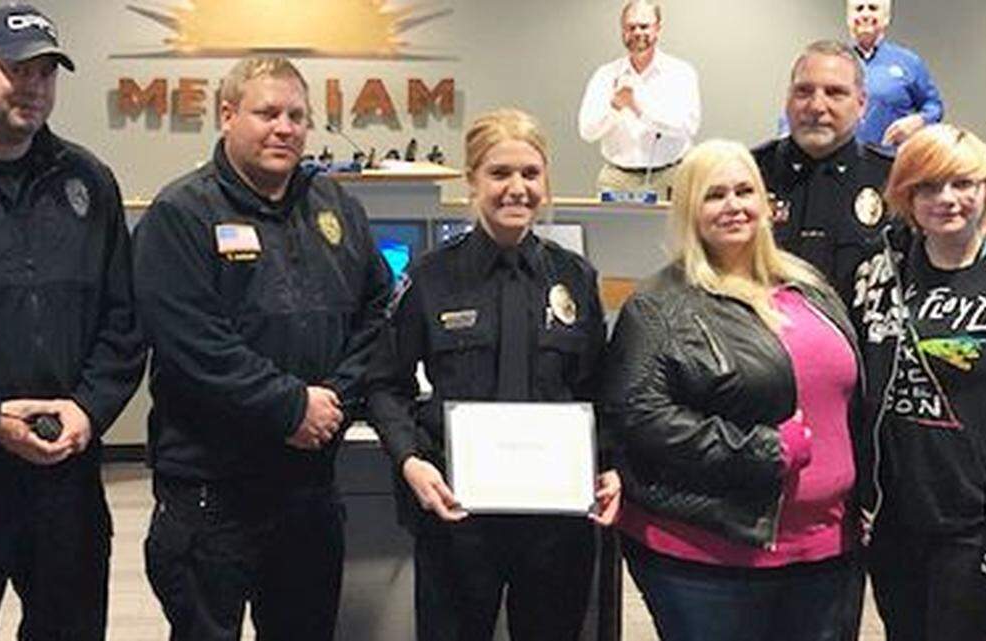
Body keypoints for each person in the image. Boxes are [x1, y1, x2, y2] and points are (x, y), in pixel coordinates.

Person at [0, 4, 144, 639]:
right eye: (16, 69)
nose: (33, 87)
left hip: (63, 479)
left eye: (46, 72)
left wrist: (89, 410)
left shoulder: (88, 181)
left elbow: (123, 321)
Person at [134, 55, 392, 641]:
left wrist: (333, 399)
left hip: (308, 485)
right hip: (212, 488)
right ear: (227, 116)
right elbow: (191, 343)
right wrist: (290, 406)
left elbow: (379, 313)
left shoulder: (333, 206)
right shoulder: (181, 214)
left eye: (297, 115)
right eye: (267, 113)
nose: (285, 128)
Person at [367, 108, 620, 640]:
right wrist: (410, 459)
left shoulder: (574, 277)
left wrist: (613, 464)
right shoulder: (431, 277)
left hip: (556, 521)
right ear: (472, 181)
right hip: (459, 515)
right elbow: (386, 382)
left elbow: (601, 387)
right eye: (499, 173)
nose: (516, 188)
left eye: (530, 174)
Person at [603, 139, 864, 641]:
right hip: (710, 556)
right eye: (714, 194)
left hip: (826, 548)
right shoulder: (661, 305)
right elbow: (638, 417)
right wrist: (767, 449)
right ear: (689, 210)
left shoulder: (810, 287)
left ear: (766, 203)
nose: (733, 205)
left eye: (744, 190)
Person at [851, 123, 986, 641]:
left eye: (964, 183)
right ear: (906, 195)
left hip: (977, 528)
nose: (947, 199)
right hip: (893, 522)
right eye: (928, 186)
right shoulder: (880, 272)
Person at [754, 39, 893, 305]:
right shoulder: (750, 175)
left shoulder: (892, 182)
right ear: (787, 99)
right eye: (804, 92)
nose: (817, 106)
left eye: (835, 93)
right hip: (763, 340)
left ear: (862, 104)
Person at [577, 0, 700, 195]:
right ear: (622, 31)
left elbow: (687, 126)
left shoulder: (680, 73)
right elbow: (587, 131)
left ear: (658, 28)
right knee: (612, 226)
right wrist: (615, 108)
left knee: (676, 226)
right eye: (630, 27)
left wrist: (637, 108)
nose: (637, 32)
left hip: (671, 174)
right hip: (618, 177)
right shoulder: (605, 75)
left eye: (644, 26)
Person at [846, 0, 942, 148]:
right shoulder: (834, 61)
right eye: (859, 9)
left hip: (890, 161)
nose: (865, 14)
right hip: (844, 162)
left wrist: (919, 120)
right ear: (849, 18)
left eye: (873, 8)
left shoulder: (908, 62)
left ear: (886, 18)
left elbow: (934, 106)